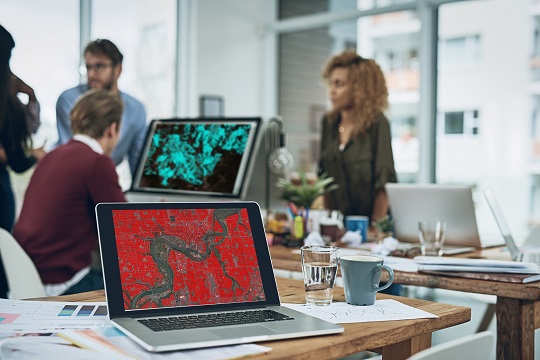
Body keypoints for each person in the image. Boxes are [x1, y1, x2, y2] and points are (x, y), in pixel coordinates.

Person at [13, 89, 126, 296]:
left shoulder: (52, 156)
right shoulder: (97, 163)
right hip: (60, 285)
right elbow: (125, 228)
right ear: (112, 129)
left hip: (25, 278)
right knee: (140, 286)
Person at [319, 50, 397, 230]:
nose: (332, 91)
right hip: (340, 230)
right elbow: (324, 179)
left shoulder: (377, 123)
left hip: (373, 230)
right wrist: (329, 226)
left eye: (339, 84)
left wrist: (374, 230)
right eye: (330, 83)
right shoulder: (328, 123)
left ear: (359, 88)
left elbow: (383, 183)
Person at [55, 39, 146, 176]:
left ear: (118, 69)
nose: (91, 74)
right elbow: (74, 152)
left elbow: (138, 163)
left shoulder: (136, 110)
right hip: (70, 175)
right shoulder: (70, 100)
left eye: (99, 66)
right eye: (88, 67)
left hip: (104, 175)